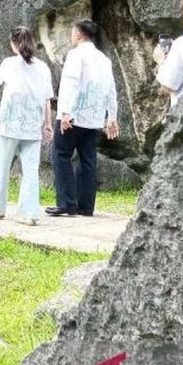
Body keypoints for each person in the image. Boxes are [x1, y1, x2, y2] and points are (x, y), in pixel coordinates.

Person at [46, 19, 120, 218]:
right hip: (95, 117)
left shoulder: (76, 54)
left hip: (74, 116)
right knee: (88, 160)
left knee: (61, 155)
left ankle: (67, 203)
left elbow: (70, 82)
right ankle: (86, 206)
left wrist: (65, 113)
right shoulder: (104, 59)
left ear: (78, 34)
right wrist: (111, 117)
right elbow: (111, 89)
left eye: (72, 33)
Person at [0, 27, 54, 226]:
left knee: (2, 166)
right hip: (33, 126)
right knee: (31, 170)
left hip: (9, 125)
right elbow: (47, 99)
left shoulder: (9, 63)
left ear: (13, 44)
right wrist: (47, 125)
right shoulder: (43, 67)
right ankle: (28, 213)